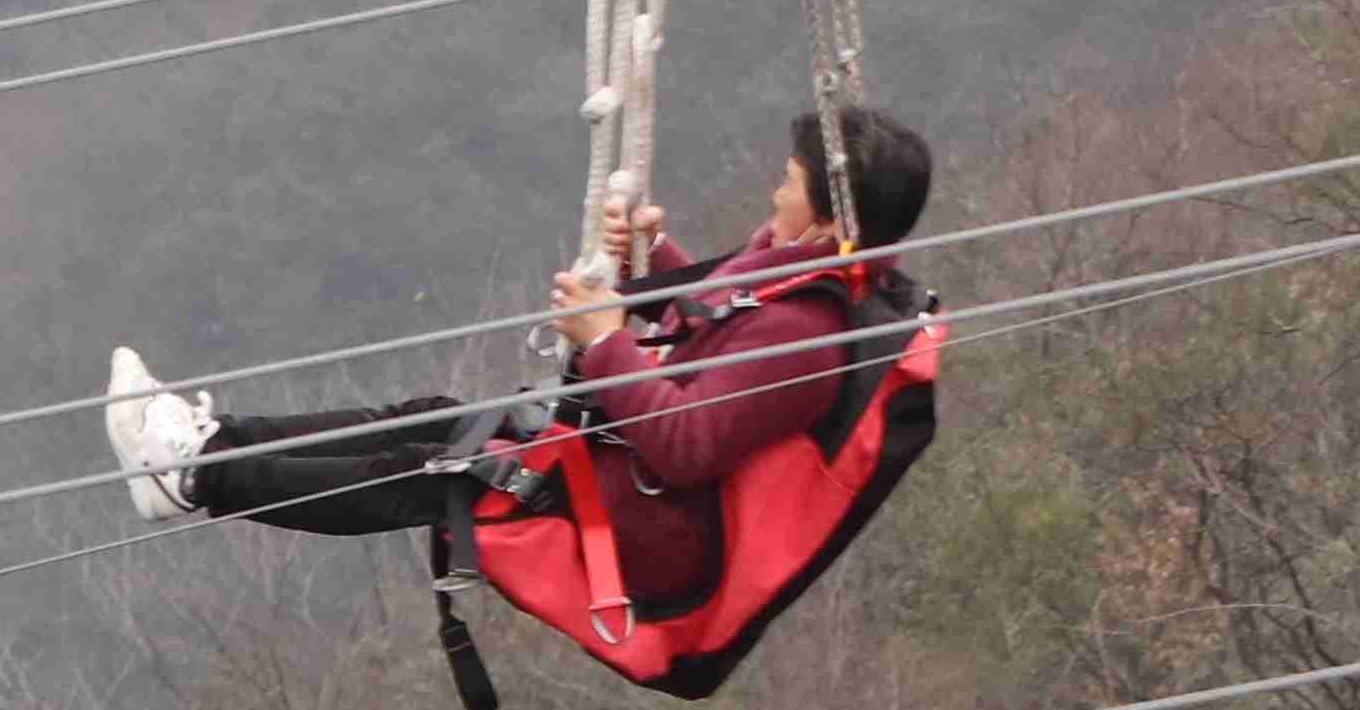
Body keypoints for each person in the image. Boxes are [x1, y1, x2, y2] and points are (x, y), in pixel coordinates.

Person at [100, 103, 932, 587]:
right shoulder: (810, 281)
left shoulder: (808, 335)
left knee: (432, 474)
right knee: (430, 422)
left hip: (644, 520)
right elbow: (719, 332)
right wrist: (655, 266)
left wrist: (606, 339)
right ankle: (209, 446)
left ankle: (197, 478)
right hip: (625, 475)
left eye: (786, 182)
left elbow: (687, 445)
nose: (771, 189)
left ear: (827, 215)